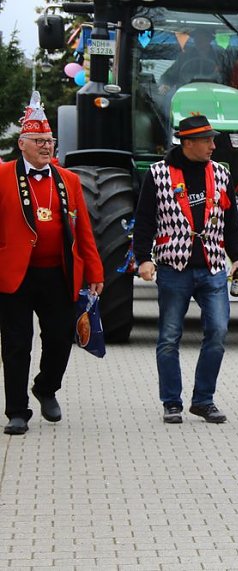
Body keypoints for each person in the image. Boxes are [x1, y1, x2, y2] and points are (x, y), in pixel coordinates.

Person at [0, 91, 104, 435]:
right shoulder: (2, 176)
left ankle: (46, 388)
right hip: (14, 275)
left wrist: (94, 271)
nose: (47, 146)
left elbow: (84, 231)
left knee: (60, 339)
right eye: (40, 141)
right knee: (16, 344)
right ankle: (17, 410)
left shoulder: (68, 180)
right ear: (23, 144)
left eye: (50, 140)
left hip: (58, 274)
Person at [133, 114, 238, 424]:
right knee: (169, 337)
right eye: (207, 140)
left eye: (213, 139)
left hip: (212, 266)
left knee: (219, 331)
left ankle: (203, 400)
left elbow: (231, 223)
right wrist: (143, 258)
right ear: (188, 143)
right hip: (174, 267)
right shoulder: (158, 175)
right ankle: (172, 402)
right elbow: (143, 221)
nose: (214, 145)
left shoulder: (221, 174)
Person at [159, 28, 226, 93]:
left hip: (214, 93)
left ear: (209, 39)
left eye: (203, 38)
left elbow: (226, 76)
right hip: (185, 93)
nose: (199, 41)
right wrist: (165, 84)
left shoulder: (220, 57)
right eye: (197, 38)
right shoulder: (184, 56)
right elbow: (170, 74)